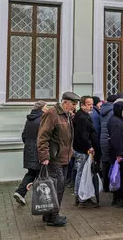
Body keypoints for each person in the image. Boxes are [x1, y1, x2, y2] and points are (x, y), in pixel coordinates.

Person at [37, 92, 80, 227]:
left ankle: (48, 215)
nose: (74, 107)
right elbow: (43, 136)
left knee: (56, 187)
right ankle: (53, 216)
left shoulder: (67, 115)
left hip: (64, 157)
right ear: (65, 102)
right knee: (57, 187)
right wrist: (44, 156)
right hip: (54, 158)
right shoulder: (52, 113)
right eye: (73, 104)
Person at [13, 101, 48, 206]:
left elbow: (24, 135)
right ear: (41, 109)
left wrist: (29, 145)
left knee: (32, 173)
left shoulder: (29, 120)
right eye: (46, 107)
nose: (47, 109)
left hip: (29, 149)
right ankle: (41, 199)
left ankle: (20, 192)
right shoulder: (42, 120)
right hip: (38, 150)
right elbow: (44, 137)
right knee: (40, 174)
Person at [73, 96, 100, 208]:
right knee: (81, 173)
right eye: (89, 104)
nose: (91, 106)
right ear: (82, 105)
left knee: (84, 173)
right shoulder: (82, 117)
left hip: (83, 149)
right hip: (82, 150)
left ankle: (83, 196)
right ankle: (80, 197)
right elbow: (83, 134)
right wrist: (89, 146)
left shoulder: (83, 116)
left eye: (92, 104)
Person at [108, 101, 123, 207]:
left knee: (119, 174)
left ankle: (117, 197)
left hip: (121, 151)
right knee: (121, 175)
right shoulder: (116, 122)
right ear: (121, 109)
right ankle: (120, 198)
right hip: (120, 153)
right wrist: (119, 154)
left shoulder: (118, 119)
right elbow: (116, 139)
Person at [100, 94, 118, 192]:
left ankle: (105, 185)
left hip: (102, 139)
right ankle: (111, 185)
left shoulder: (102, 109)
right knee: (111, 163)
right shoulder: (113, 111)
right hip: (109, 139)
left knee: (105, 162)